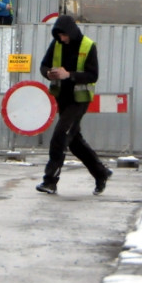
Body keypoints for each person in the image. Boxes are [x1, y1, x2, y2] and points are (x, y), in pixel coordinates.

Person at [36, 15, 112, 196]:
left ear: (71, 32)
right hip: (63, 98)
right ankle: (101, 173)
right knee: (74, 142)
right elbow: (43, 65)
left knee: (60, 135)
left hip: (79, 100)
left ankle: (50, 181)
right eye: (59, 36)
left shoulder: (88, 46)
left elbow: (93, 76)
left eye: (64, 35)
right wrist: (49, 73)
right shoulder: (56, 44)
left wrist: (68, 75)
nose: (62, 39)